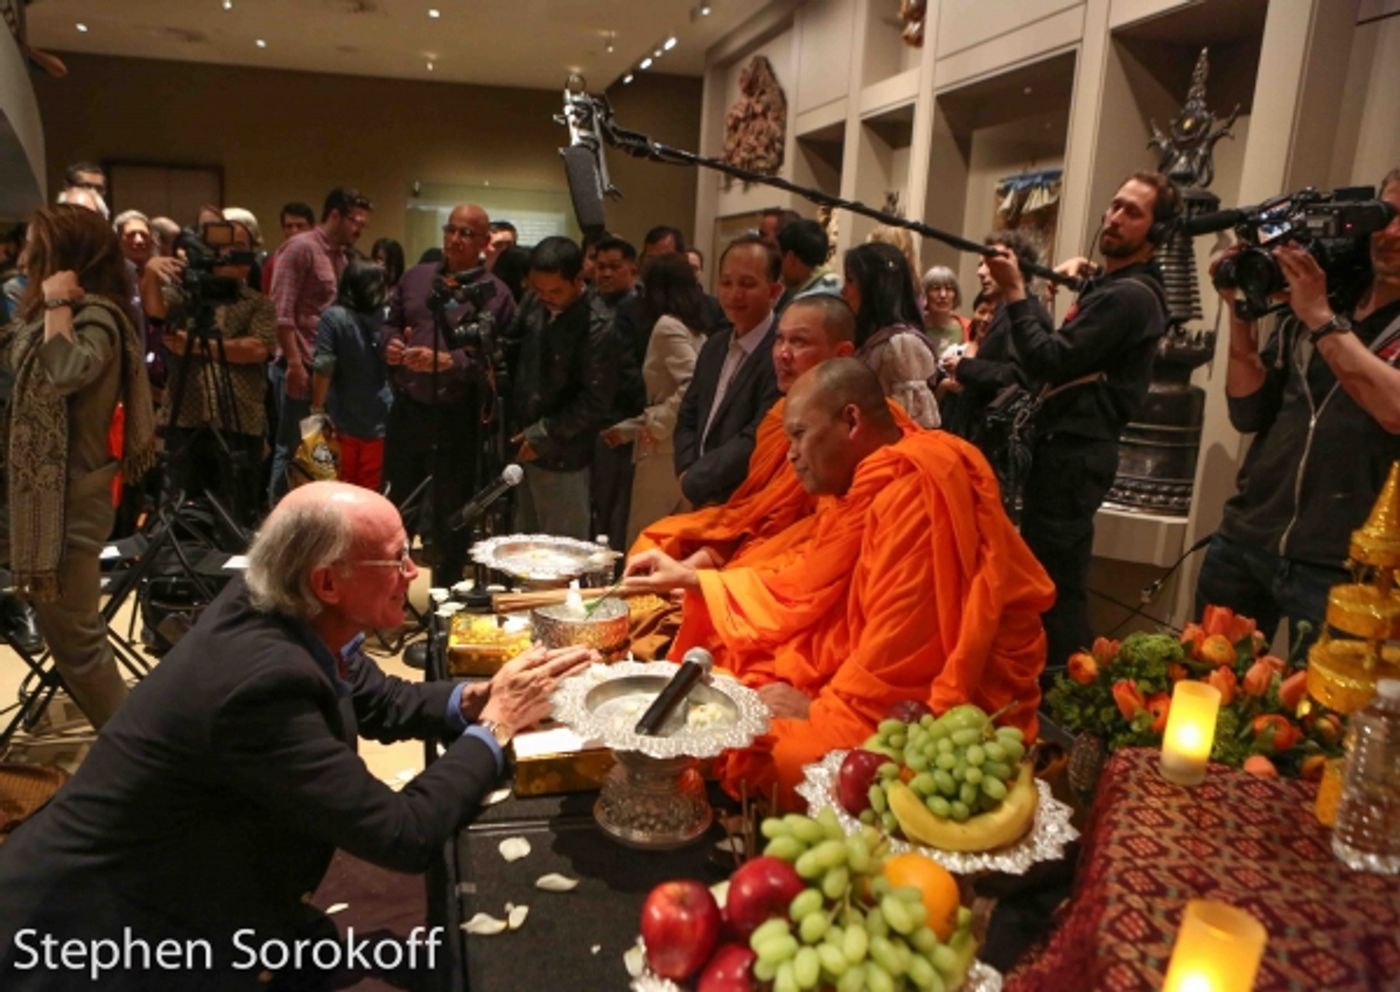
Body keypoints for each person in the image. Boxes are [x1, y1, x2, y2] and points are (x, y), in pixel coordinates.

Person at [0, 482, 595, 989]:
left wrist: (472, 698)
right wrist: (496, 728)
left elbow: (379, 698)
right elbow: (402, 833)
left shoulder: (281, 603)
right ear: (327, 582)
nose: (412, 573)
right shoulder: (262, 687)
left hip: (194, 880)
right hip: (99, 934)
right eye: (395, 560)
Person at [624, 359, 1053, 805]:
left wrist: (817, 709)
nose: (790, 453)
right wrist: (700, 580)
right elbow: (804, 574)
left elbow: (905, 658)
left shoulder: (916, 492)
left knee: (781, 759)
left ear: (851, 420)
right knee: (731, 671)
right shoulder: (861, 483)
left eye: (799, 435)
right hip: (856, 663)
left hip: (921, 703)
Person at [1195, 167, 1400, 646]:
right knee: (1207, 695)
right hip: (1248, 538)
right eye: (1387, 214)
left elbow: (1394, 410)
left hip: (1345, 567)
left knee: (1321, 718)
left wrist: (1320, 318)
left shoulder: (1319, 311)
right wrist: (1239, 310)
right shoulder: (1328, 300)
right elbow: (1248, 412)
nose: (1392, 233)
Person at [983, 171, 1175, 673]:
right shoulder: (1112, 288)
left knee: (1055, 584)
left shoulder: (1130, 297)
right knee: (1047, 576)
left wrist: (1017, 293)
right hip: (1065, 450)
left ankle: (1063, 692)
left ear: (1157, 233)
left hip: (1076, 454)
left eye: (1133, 212)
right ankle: (1047, 685)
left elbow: (1050, 359)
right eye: (1114, 206)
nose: (1114, 218)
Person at [1, 204, 156, 729]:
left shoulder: (97, 316)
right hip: (33, 498)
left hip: (68, 501)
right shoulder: (46, 315)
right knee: (70, 635)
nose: (26, 253)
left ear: (66, 255)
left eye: (36, 244)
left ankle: (141, 757)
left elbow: (65, 370)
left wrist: (59, 303)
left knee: (78, 642)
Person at [381, 203, 515, 584]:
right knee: (396, 505)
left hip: (458, 416)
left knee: (451, 512)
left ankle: (447, 597)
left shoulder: (496, 295)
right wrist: (389, 346)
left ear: (485, 243)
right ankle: (389, 591)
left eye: (466, 234)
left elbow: (499, 360)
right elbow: (390, 324)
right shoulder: (416, 278)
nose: (455, 240)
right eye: (451, 230)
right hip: (408, 409)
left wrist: (449, 361)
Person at [147, 215, 275, 526]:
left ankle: (233, 565)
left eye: (240, 247)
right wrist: (150, 274)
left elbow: (258, 349)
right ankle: (175, 565)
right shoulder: (184, 295)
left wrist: (193, 345)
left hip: (240, 419)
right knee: (178, 503)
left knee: (236, 508)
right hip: (187, 415)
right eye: (224, 246)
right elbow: (155, 312)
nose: (231, 253)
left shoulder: (259, 303)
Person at [508, 237, 620, 539]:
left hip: (565, 451)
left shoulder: (598, 324)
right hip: (524, 439)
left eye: (555, 290)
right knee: (524, 543)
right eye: (538, 289)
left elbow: (596, 401)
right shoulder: (534, 302)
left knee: (560, 551)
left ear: (577, 279)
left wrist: (543, 434)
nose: (546, 297)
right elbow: (513, 348)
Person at [267, 187, 372, 504]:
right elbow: (281, 313)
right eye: (355, 221)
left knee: (320, 450)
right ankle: (277, 520)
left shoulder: (341, 256)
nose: (359, 230)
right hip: (301, 364)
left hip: (328, 370)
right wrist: (296, 365)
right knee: (292, 447)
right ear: (335, 215)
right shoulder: (301, 248)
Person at [602, 252, 707, 547]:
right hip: (684, 449)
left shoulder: (668, 326)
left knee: (643, 541)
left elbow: (691, 384)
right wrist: (628, 430)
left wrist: (656, 424)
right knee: (675, 544)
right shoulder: (695, 329)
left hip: (663, 451)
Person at [673, 236, 783, 507]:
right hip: (699, 491)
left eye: (747, 284)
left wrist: (698, 479)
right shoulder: (715, 344)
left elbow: (758, 434)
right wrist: (686, 469)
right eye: (726, 283)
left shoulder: (783, 351)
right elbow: (689, 413)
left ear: (774, 292)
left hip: (747, 498)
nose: (734, 294)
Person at [939, 232, 1048, 445]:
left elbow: (1018, 377)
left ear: (1015, 266)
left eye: (990, 263)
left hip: (1000, 441)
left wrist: (965, 367)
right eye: (981, 264)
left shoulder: (1028, 315)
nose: (980, 272)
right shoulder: (1005, 311)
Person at [312, 260, 392, 491]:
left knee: (341, 485)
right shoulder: (387, 317)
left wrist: (317, 408)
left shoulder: (333, 317)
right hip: (381, 415)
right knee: (371, 486)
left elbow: (324, 365)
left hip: (342, 417)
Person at [843, 241, 941, 428]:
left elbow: (913, 422)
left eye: (850, 280)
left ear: (873, 286)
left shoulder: (903, 344)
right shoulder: (869, 336)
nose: (844, 290)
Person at [777, 219, 840, 305]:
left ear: (790, 257)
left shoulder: (817, 300)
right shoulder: (833, 289)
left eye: (781, 259)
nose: (780, 270)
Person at [921, 264, 970, 354]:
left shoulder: (968, 328)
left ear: (956, 295)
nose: (943, 295)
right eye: (936, 288)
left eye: (949, 289)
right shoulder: (915, 328)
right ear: (925, 294)